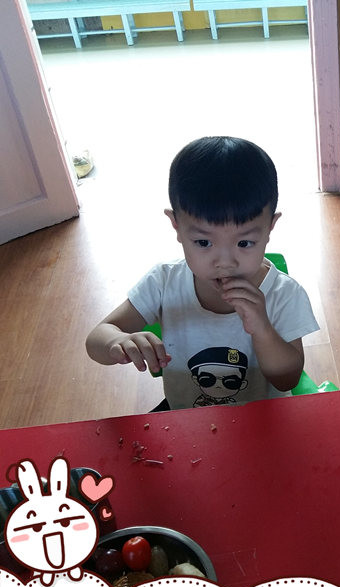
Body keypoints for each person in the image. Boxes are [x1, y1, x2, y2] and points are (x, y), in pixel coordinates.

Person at [86, 136, 319, 409]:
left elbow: (287, 380)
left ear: (270, 228)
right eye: (204, 242)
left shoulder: (285, 295)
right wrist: (118, 341)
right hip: (187, 417)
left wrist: (262, 329)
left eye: (244, 243)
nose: (225, 262)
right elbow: (96, 338)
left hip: (262, 419)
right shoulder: (164, 283)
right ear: (176, 226)